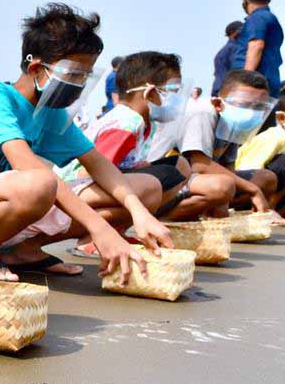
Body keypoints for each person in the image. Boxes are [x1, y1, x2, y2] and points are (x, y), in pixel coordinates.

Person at [0, 4, 172, 280]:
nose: (79, 83)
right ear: (37, 69)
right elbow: (30, 169)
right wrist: (99, 228)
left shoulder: (51, 112)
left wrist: (139, 213)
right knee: (41, 182)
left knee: (146, 188)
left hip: (22, 205)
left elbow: (97, 162)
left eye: (85, 76)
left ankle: (24, 250)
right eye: (73, 74)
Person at [57, 52, 192, 247]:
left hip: (91, 185)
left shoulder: (145, 121)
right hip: (74, 186)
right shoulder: (126, 123)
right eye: (173, 91)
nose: (177, 100)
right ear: (150, 93)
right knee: (151, 185)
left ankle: (117, 230)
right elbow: (91, 170)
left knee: (179, 167)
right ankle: (92, 238)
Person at [170, 68, 279, 212]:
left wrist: (224, 204)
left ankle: (223, 213)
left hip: (205, 180)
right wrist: (252, 190)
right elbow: (200, 166)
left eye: (258, 107)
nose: (252, 112)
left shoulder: (233, 122)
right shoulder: (202, 113)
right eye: (245, 105)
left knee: (266, 178)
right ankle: (167, 216)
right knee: (223, 186)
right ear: (218, 104)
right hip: (176, 179)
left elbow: (229, 166)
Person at [233, 94, 285, 212]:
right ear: (281, 117)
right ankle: (269, 208)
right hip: (244, 188)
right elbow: (251, 171)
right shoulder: (274, 137)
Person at [232, 0, 282, 97]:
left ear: (246, 0)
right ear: (268, 1)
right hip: (267, 80)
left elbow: (256, 45)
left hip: (254, 84)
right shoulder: (269, 18)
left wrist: (245, 81)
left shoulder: (257, 18)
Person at [212, 21, 244, 96]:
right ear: (234, 33)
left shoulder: (224, 50)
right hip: (230, 92)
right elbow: (239, 70)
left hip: (220, 90)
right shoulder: (235, 48)